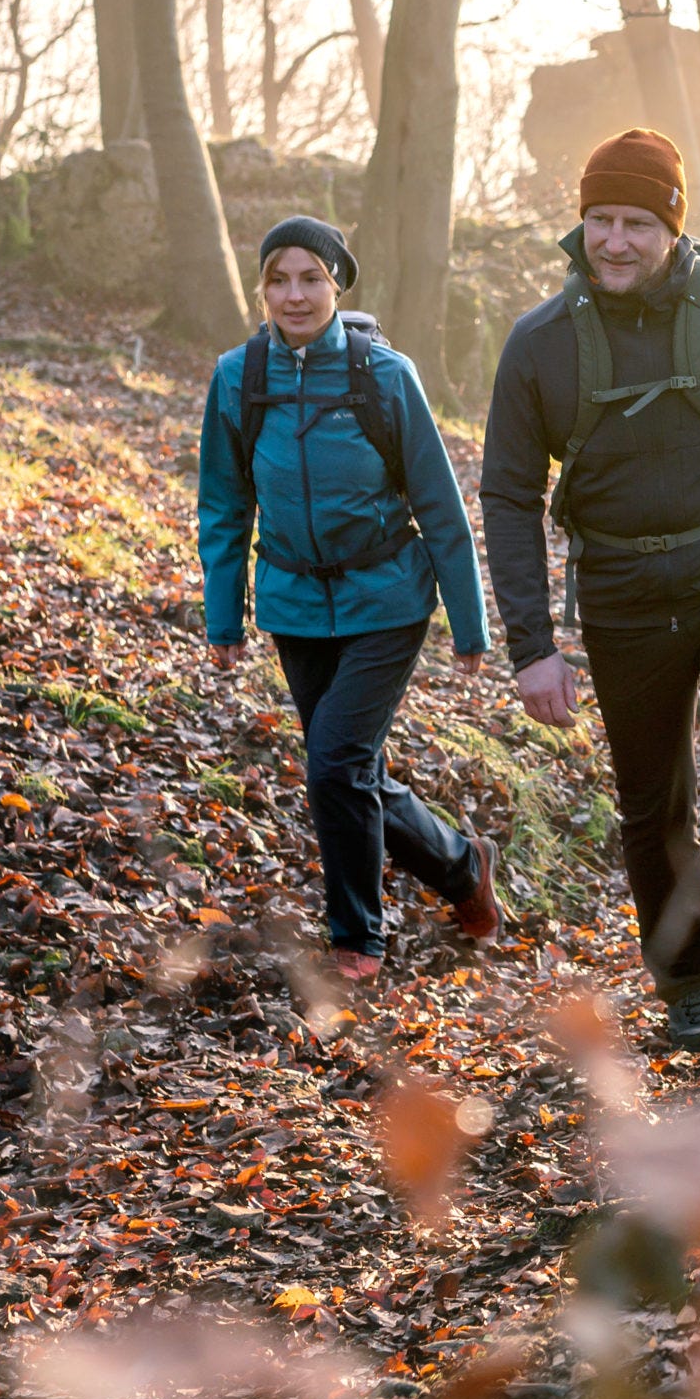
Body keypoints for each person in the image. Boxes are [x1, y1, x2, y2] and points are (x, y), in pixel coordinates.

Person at [482, 129, 700, 1050]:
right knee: (653, 797)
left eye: (636, 222)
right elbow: (509, 494)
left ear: (673, 227)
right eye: (599, 220)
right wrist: (531, 644)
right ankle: (687, 985)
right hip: (623, 592)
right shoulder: (540, 345)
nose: (613, 241)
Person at [197, 215, 499, 985]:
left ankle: (357, 936)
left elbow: (439, 505)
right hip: (294, 601)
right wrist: (224, 614)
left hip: (387, 598)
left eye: (310, 278)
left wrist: (470, 626)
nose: (294, 294)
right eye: (278, 279)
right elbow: (225, 504)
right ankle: (463, 866)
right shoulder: (240, 377)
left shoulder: (383, 375)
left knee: (333, 762)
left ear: (337, 284)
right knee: (350, 764)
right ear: (261, 288)